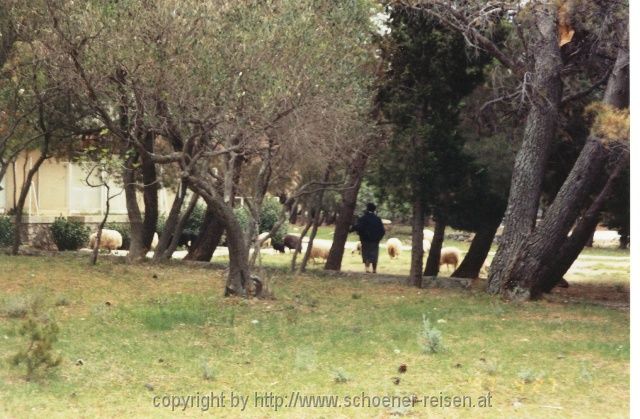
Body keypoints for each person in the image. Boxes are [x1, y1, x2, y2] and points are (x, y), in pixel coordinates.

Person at [350, 203, 385, 273]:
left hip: (365, 239)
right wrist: (378, 238)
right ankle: (374, 269)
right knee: (374, 253)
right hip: (375, 240)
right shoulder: (377, 219)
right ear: (374, 209)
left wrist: (350, 230)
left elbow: (358, 227)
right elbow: (382, 231)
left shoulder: (363, 218)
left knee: (366, 253)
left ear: (367, 209)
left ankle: (367, 268)